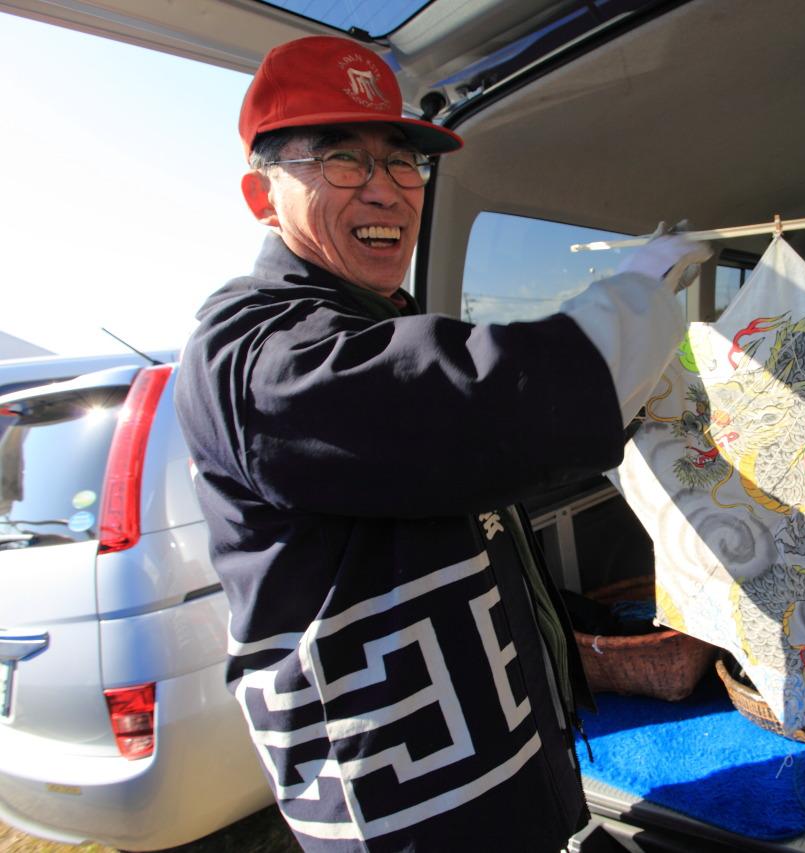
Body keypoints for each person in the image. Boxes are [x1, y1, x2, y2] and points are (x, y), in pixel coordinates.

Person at [174, 35, 709, 853]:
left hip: (501, 775)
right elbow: (481, 400)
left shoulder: (376, 321)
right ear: (261, 195)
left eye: (403, 163)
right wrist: (638, 295)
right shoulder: (255, 352)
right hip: (407, 815)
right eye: (343, 159)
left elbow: (472, 462)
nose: (386, 190)